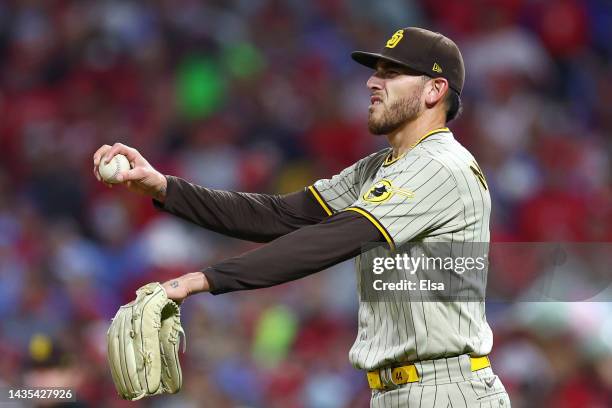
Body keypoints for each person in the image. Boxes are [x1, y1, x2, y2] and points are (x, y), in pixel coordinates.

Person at [93, 27, 510, 407]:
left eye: (391, 73)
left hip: (447, 390)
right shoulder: (380, 167)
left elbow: (336, 237)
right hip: (399, 392)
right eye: (375, 71)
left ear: (434, 90)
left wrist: (198, 280)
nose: (372, 82)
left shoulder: (441, 165)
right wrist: (164, 187)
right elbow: (283, 216)